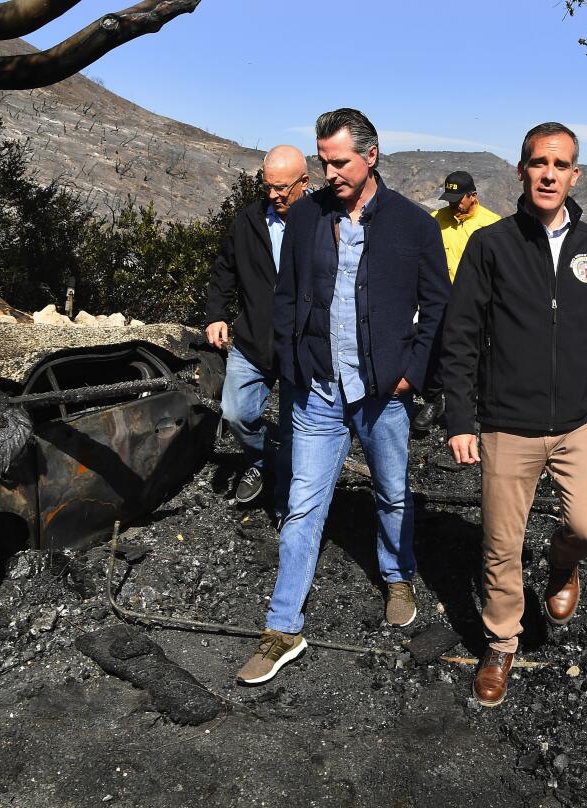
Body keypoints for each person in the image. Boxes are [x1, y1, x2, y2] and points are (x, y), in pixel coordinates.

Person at [236, 108, 451, 684]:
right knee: (303, 505)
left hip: (382, 392)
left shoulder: (413, 225)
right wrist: (290, 363)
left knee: (391, 491)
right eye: (323, 161)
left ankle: (398, 575)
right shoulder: (306, 215)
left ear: (371, 155)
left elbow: (438, 307)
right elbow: (287, 296)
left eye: (340, 161)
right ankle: (282, 627)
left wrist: (412, 372)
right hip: (316, 391)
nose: (329, 172)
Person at [439, 122, 587, 707]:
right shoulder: (491, 245)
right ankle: (500, 643)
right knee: (500, 543)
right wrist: (460, 420)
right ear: (521, 170)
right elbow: (461, 337)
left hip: (581, 418)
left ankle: (563, 564)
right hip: (506, 421)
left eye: (561, 164)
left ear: (575, 175)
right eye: (539, 162)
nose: (549, 173)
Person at [205, 146, 309, 516]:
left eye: (282, 188)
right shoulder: (247, 221)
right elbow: (224, 270)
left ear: (305, 182)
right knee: (235, 413)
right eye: (269, 186)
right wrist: (216, 314)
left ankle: (286, 508)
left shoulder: (322, 222)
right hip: (251, 341)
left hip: (301, 347)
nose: (274, 195)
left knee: (296, 431)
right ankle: (263, 458)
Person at [413, 170, 501, 432]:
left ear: (473, 196)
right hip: (439, 300)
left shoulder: (492, 225)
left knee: (473, 355)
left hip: (477, 302)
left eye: (458, 199)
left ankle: (469, 409)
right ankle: (433, 401)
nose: (452, 204)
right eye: (449, 199)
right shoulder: (435, 221)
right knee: (431, 349)